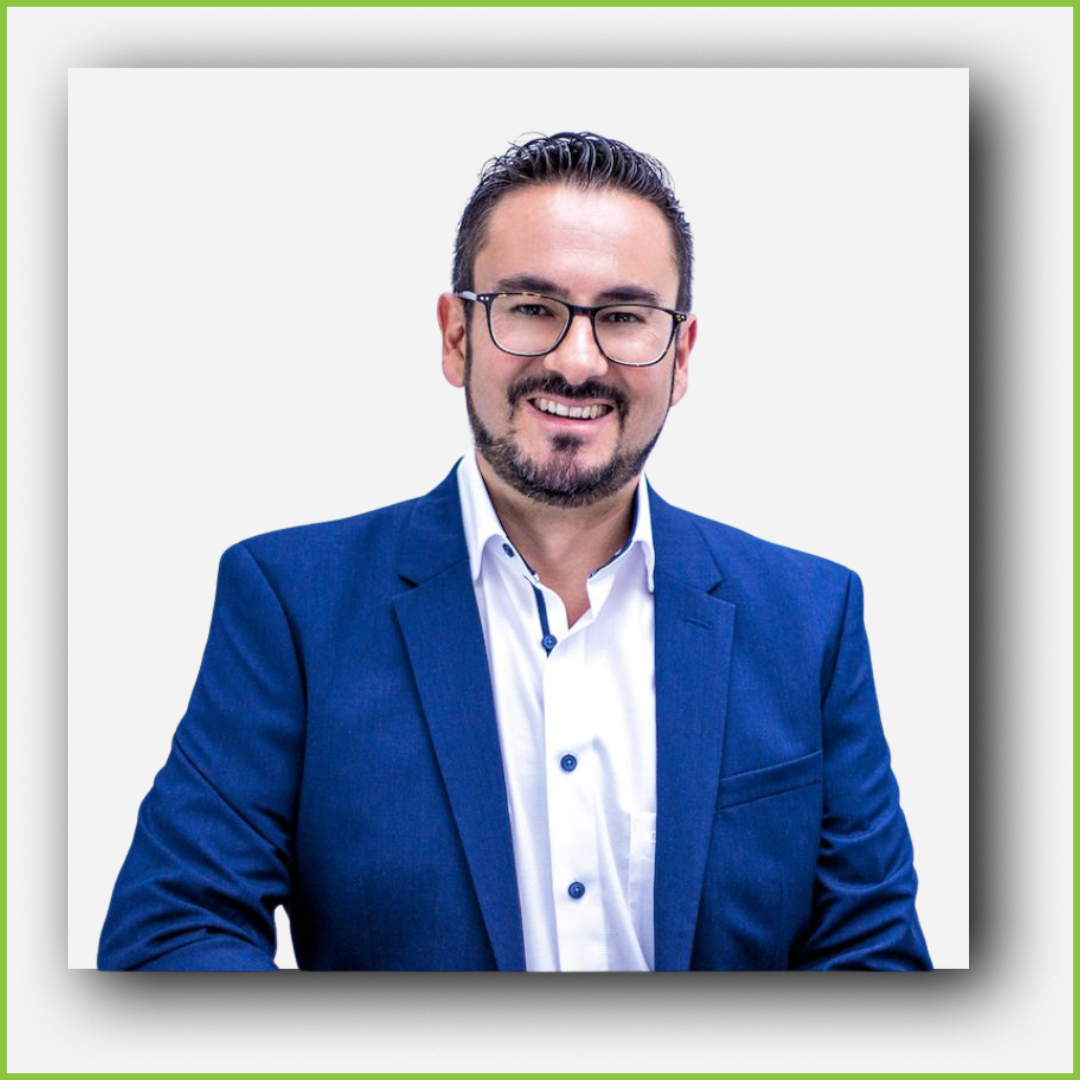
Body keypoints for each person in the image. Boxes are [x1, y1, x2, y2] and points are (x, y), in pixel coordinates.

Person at [99, 132, 931, 972]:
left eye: (624, 317)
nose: (577, 361)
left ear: (679, 357)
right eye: (531, 308)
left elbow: (873, 960)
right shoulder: (292, 607)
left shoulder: (810, 621)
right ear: (456, 336)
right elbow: (172, 935)